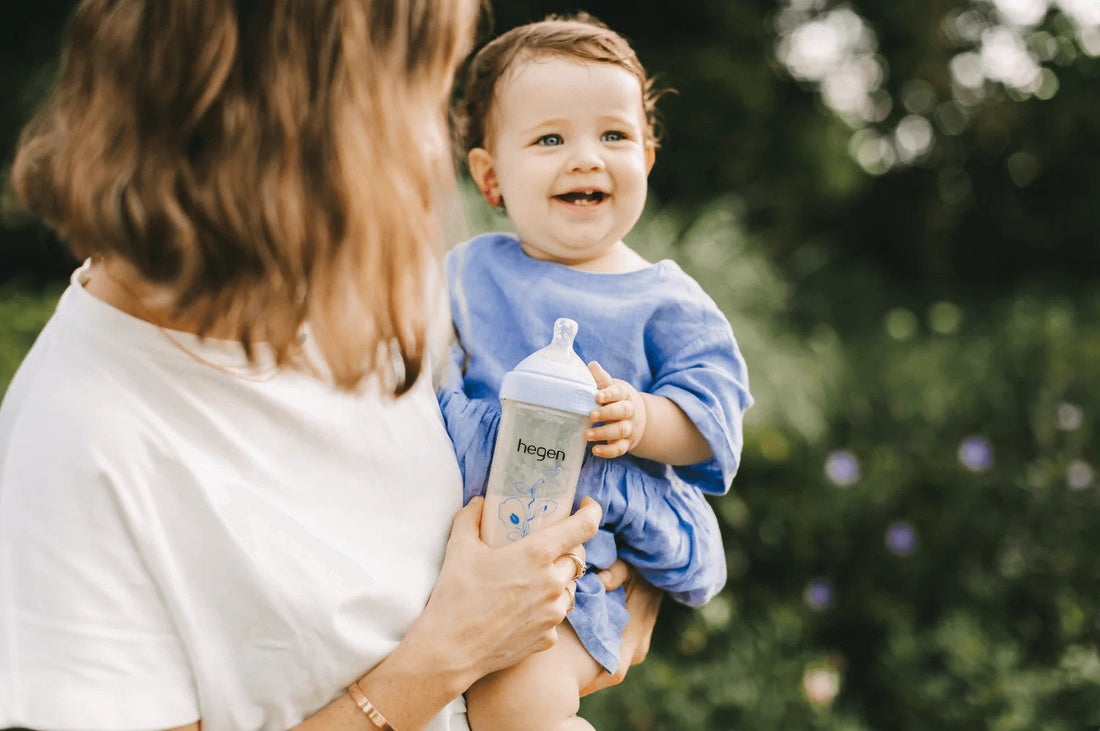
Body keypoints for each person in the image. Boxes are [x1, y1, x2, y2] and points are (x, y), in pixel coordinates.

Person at [0, 2, 662, 730]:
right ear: (295, 124)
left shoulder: (351, 291)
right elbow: (458, 635)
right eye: (416, 93)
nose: (430, 148)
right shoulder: (77, 444)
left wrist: (604, 589)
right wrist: (445, 656)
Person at [438, 14, 753, 730]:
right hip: (465, 541)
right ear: (490, 175)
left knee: (515, 701)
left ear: (647, 152)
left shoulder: (667, 300)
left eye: (613, 136)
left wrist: (645, 418)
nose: (586, 158)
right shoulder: (468, 272)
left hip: (585, 560)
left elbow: (713, 416)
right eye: (550, 139)